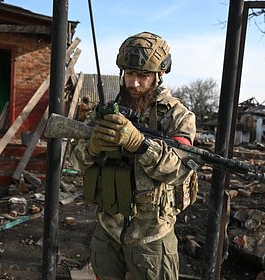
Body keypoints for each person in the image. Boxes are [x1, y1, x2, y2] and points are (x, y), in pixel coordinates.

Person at [71, 31, 197, 280]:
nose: (135, 83)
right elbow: (74, 162)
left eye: (143, 75)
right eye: (130, 74)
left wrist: (139, 144)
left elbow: (179, 169)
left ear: (160, 75)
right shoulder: (106, 113)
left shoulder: (178, 116)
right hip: (108, 229)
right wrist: (92, 147)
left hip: (151, 238)